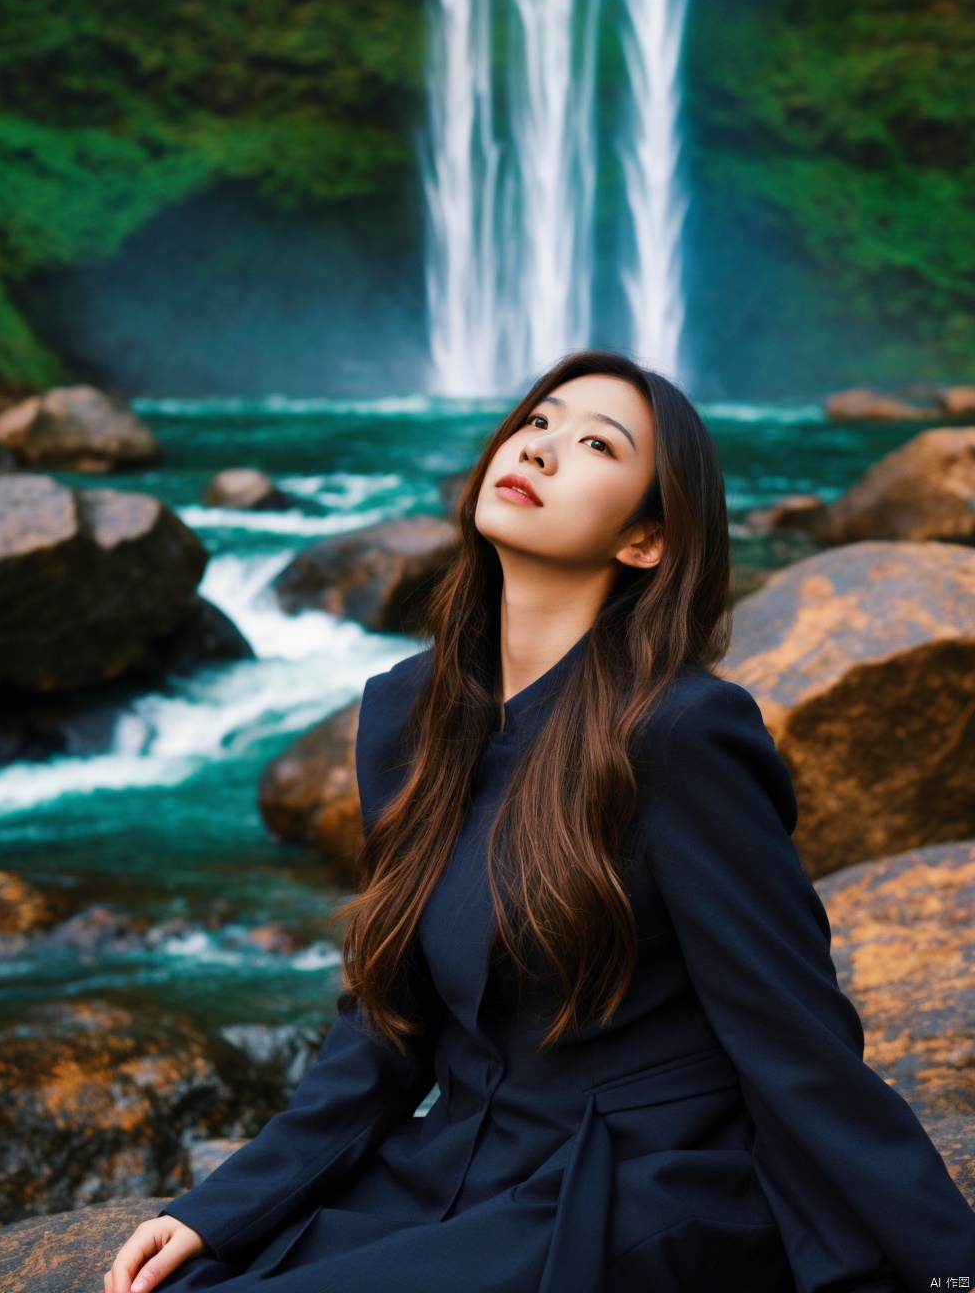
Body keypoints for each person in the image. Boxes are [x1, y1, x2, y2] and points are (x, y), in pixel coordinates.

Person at [107, 349, 975, 1293]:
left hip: (641, 1180)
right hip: (459, 1161)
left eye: (596, 443)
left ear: (645, 541)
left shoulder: (680, 732)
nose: (544, 449)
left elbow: (794, 1033)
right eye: (537, 423)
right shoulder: (407, 712)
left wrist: (949, 1274)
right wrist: (218, 1205)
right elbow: (387, 1022)